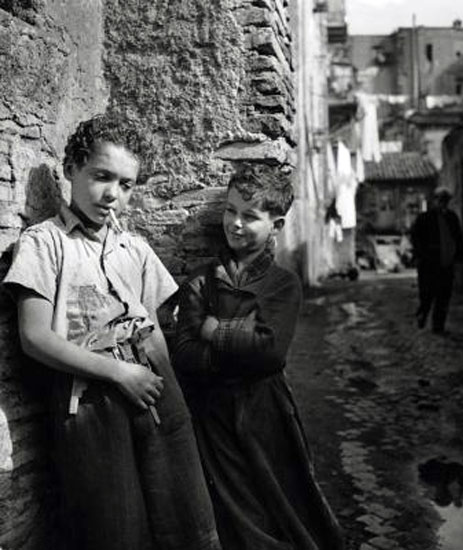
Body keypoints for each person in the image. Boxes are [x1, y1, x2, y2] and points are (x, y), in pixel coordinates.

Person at [3, 116, 220, 550]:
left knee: (183, 512)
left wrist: (170, 396)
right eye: (102, 177)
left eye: (126, 184)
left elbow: (154, 327)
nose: (112, 195)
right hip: (90, 400)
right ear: (71, 168)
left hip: (154, 387)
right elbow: (35, 337)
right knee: (115, 523)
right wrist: (120, 374)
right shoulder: (44, 244)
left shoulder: (133, 247)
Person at [172, 165, 344, 550]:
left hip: (267, 413)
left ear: (277, 224)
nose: (235, 223)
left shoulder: (283, 285)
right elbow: (183, 353)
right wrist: (241, 342)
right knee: (236, 513)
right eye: (231, 210)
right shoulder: (202, 281)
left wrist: (214, 330)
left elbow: (270, 353)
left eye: (250, 216)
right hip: (214, 414)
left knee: (282, 505)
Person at [410, 186, 463, 334]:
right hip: (429, 263)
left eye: (445, 200)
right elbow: (415, 237)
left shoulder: (452, 218)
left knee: (444, 295)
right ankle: (423, 314)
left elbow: (458, 238)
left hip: (446, 262)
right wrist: (420, 254)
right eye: (440, 200)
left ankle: (438, 325)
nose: (443, 203)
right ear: (435, 201)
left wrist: (459, 257)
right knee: (427, 294)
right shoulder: (425, 218)